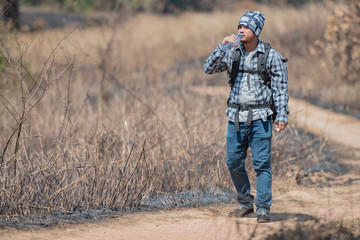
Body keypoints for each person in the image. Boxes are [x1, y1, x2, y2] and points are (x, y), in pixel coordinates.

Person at [203, 11, 289, 223]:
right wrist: (222, 46)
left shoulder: (271, 56)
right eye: (239, 26)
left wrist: (282, 116)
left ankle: (263, 208)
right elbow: (208, 68)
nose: (241, 30)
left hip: (261, 117)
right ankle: (245, 203)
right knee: (233, 161)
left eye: (246, 27)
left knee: (262, 164)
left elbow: (280, 89)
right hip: (235, 117)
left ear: (257, 31)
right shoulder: (232, 51)